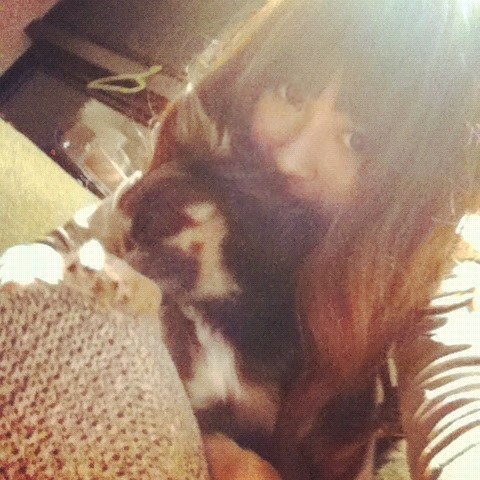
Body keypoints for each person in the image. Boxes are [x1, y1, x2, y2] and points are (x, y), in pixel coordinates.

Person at [124, 0, 480, 478]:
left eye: (357, 141)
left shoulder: (421, 288)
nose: (291, 158)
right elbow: (57, 262)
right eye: (291, 93)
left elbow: (462, 408)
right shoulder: (197, 174)